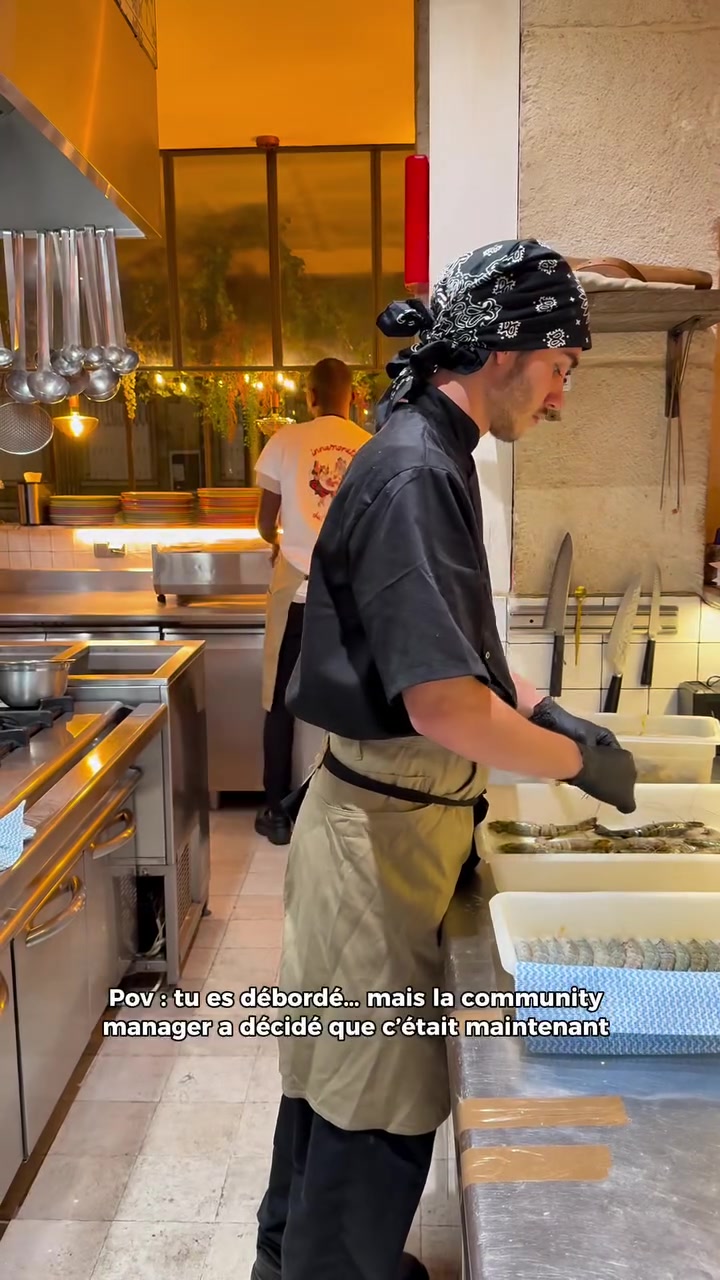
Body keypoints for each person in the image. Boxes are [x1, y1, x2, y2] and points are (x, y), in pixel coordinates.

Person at [250, 240, 637, 1280]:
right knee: (367, 1099)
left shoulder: (433, 448)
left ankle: (294, 1260)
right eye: (560, 368)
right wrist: (571, 762)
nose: (560, 398)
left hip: (384, 824)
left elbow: (456, 651)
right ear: (506, 351)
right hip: (379, 840)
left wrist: (544, 708)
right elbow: (444, 704)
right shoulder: (419, 468)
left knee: (333, 1079)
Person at [253, 357, 371, 845]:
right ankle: (343, 808)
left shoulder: (284, 440)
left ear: (310, 395)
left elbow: (264, 523)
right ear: (354, 398)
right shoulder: (370, 445)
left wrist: (279, 542)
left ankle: (277, 813)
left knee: (278, 703)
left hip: (296, 594)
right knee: (348, 702)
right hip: (347, 595)